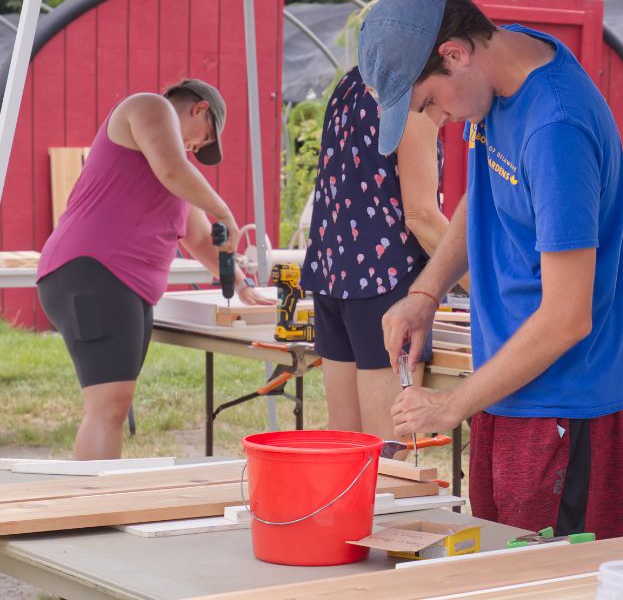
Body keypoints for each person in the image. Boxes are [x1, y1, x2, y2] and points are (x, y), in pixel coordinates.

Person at [358, 0, 623, 539]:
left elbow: (567, 317)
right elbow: (483, 195)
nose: (441, 118)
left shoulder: (557, 128)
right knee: (500, 569)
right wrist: (425, 292)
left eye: (431, 101)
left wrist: (450, 406)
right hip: (507, 389)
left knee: (545, 582)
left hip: (562, 406)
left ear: (455, 55)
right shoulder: (505, 73)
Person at [36, 79, 272, 460]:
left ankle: (102, 501)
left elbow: (197, 239)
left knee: (112, 405)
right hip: (93, 271)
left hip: (119, 283)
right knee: (108, 407)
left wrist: (242, 286)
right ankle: (91, 510)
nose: (196, 148)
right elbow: (174, 171)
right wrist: (225, 212)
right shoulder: (148, 107)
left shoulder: (173, 167)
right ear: (199, 109)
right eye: (204, 137)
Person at [300, 66, 451, 450]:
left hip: (334, 271)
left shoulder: (352, 82)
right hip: (387, 281)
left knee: (346, 442)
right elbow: (422, 217)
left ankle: (344, 513)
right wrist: (486, 285)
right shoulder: (410, 96)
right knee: (388, 451)